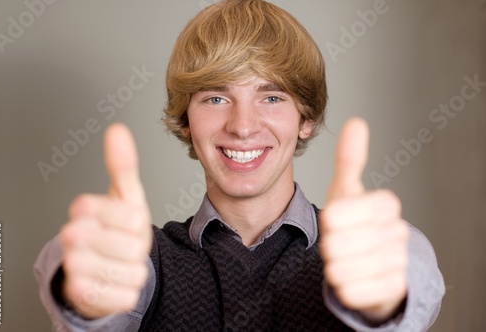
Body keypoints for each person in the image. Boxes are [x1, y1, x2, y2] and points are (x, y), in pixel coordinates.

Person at [34, 0, 445, 331]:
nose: (243, 126)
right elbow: (84, 280)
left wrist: (384, 302)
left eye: (271, 97)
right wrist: (83, 290)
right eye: (216, 98)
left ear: (307, 119)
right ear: (185, 121)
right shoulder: (144, 259)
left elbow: (410, 275)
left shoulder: (369, 248)